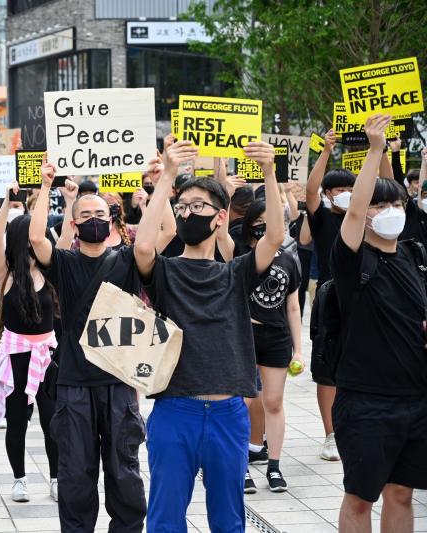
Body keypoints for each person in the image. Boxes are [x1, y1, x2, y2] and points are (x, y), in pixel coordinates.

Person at [134, 139, 284, 532]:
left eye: (197, 206)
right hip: (174, 411)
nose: (187, 213)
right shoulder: (165, 272)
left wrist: (270, 173)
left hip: (228, 414)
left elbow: (274, 237)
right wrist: (167, 176)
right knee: (165, 520)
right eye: (182, 207)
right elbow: (144, 246)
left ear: (220, 218)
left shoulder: (236, 273)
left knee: (229, 519)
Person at [28, 153, 176, 532]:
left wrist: (163, 181)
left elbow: (167, 231)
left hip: (119, 384)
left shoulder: (128, 260)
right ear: (73, 224)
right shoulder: (64, 263)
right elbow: (36, 237)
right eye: (86, 215)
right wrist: (45, 185)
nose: (94, 219)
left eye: (100, 214)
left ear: (111, 221)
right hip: (74, 385)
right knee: (75, 475)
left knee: (124, 472)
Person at [328, 114, 427, 533]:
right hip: (366, 401)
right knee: (360, 497)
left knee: (401, 493)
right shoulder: (353, 261)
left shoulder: (414, 256)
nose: (391, 212)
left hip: (416, 397)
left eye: (396, 204)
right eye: (379, 205)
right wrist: (374, 150)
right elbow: (353, 214)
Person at [0, 183, 61, 503]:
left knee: (52, 420)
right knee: (17, 421)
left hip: (47, 354)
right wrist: (7, 204)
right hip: (16, 355)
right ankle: (19, 479)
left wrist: (63, 196)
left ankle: (56, 478)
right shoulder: (6, 275)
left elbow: (65, 237)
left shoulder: (52, 271)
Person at [240, 200, 303, 494]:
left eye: (271, 220)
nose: (265, 226)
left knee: (274, 402)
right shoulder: (241, 257)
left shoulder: (289, 260)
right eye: (259, 221)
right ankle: (240, 465)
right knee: (242, 402)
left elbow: (293, 307)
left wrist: (298, 349)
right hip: (245, 335)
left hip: (277, 338)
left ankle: (274, 466)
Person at [304, 129, 348, 462]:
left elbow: (392, 188)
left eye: (351, 189)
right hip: (330, 300)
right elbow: (310, 191)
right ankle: (331, 435)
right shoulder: (322, 219)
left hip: (361, 299)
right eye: (339, 190)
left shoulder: (366, 218)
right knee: (327, 369)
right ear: (329, 194)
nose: (346, 195)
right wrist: (326, 151)